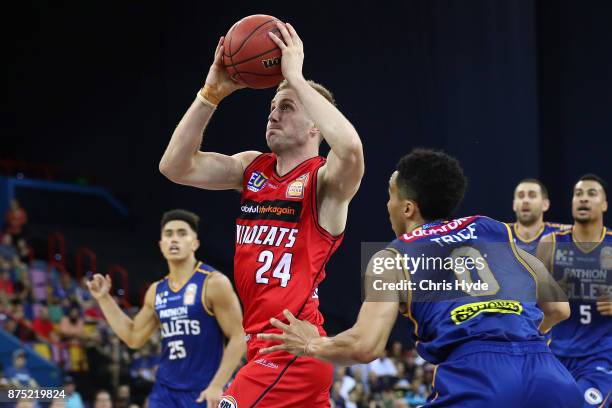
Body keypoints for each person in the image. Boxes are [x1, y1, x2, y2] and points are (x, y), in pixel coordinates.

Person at [259, 149, 581, 407]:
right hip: (549, 376)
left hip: (478, 381)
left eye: (390, 195)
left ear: (408, 208)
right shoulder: (494, 228)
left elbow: (365, 346)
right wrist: (511, 336)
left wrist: (311, 343)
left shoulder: (392, 258)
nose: (387, 205)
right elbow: (557, 308)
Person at [159, 22, 364, 407]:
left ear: (315, 126)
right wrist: (210, 95)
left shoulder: (325, 183)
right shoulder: (251, 168)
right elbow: (175, 167)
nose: (273, 115)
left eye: (286, 107)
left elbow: (351, 148)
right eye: (271, 107)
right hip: (264, 349)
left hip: (289, 351)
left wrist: (295, 79)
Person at [87, 209, 245, 407]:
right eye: (168, 234)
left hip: (203, 390)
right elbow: (133, 337)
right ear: (161, 245)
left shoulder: (213, 283)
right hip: (164, 391)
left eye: (182, 233)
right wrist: (104, 299)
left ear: (195, 243)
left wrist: (217, 384)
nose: (174, 239)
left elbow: (239, 336)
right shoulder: (156, 291)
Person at [537, 174, 612, 407]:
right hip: (554, 354)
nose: (583, 199)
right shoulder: (550, 244)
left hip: (601, 357)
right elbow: (530, 301)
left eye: (592, 194)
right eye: (578, 194)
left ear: (604, 204)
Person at [509, 178, 569, 255]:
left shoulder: (562, 234)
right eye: (521, 196)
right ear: (514, 205)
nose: (525, 201)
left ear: (545, 204)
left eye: (532, 196)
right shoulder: (502, 233)